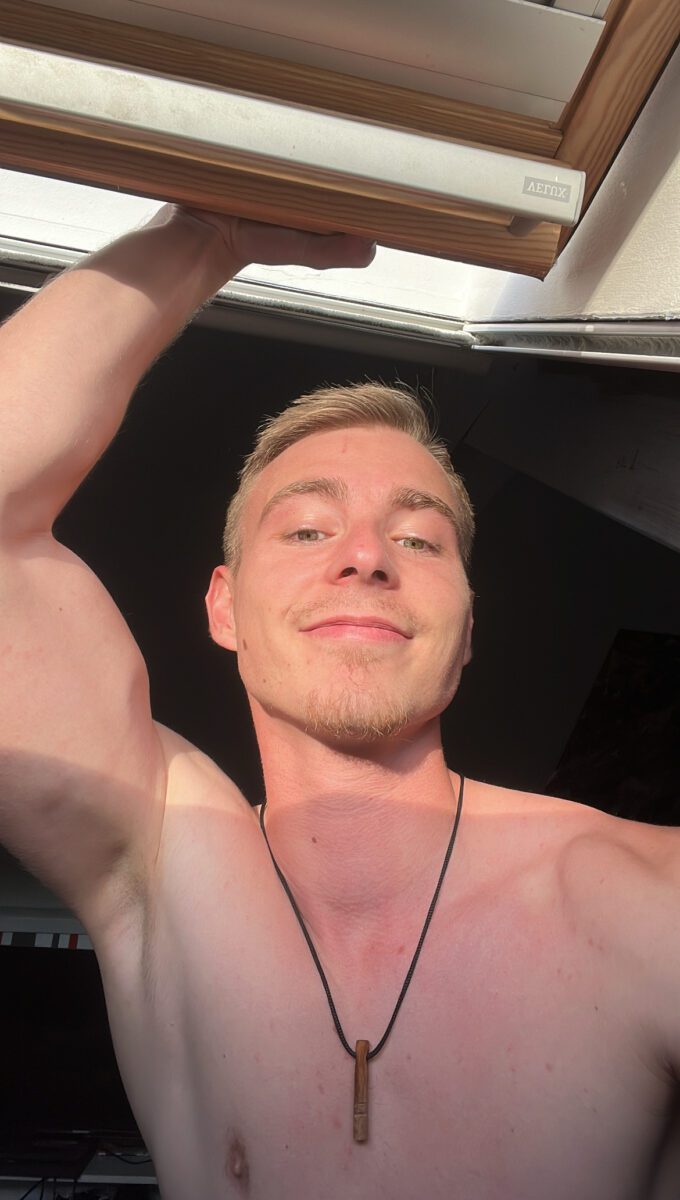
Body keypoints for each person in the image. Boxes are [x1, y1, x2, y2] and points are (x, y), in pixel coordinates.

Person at [0, 202, 678, 1200]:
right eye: (308, 530)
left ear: (466, 627)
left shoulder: (650, 898)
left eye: (417, 539)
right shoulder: (161, 866)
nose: (365, 556)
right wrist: (206, 233)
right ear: (224, 607)